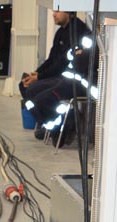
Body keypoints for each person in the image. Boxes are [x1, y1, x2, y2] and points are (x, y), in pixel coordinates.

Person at [19, 10, 93, 144]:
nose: (54, 14)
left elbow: (61, 64)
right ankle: (47, 124)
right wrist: (35, 74)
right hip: (59, 77)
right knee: (25, 88)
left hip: (70, 80)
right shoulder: (60, 32)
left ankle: (60, 125)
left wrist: (39, 77)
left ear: (69, 11)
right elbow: (51, 59)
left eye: (58, 11)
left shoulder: (77, 31)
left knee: (39, 96)